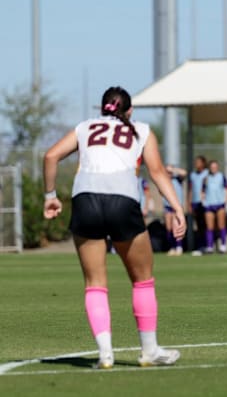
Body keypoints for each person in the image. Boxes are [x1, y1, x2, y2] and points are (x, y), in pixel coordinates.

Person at [42, 86, 185, 369]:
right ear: (129, 111)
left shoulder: (85, 127)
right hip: (122, 198)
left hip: (86, 198)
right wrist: (177, 208)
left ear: (101, 108)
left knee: (95, 284)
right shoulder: (141, 130)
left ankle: (105, 354)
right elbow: (156, 172)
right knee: (142, 279)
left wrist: (50, 196)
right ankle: (149, 350)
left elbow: (50, 156)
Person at [202, 160, 227, 253]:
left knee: (221, 225)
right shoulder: (206, 178)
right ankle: (210, 246)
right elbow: (202, 190)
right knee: (209, 227)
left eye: (215, 167)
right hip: (209, 204)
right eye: (212, 167)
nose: (213, 168)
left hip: (219, 204)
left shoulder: (221, 176)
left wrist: (225, 200)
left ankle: (223, 245)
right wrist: (203, 201)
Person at [187, 156, 209, 255]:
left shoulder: (207, 174)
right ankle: (200, 246)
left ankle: (208, 246)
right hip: (195, 202)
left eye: (199, 162)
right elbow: (191, 190)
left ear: (203, 163)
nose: (197, 164)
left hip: (205, 203)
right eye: (196, 162)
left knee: (206, 225)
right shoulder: (193, 175)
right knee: (198, 226)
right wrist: (189, 202)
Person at [164, 165, 187, 256]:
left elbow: (184, 173)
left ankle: (179, 247)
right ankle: (172, 247)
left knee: (177, 227)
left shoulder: (177, 179)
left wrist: (173, 169)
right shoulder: (164, 180)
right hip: (167, 206)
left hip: (177, 206)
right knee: (168, 228)